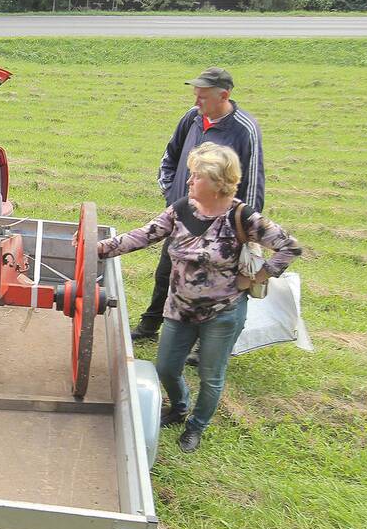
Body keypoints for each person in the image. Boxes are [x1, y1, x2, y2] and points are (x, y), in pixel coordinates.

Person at [98, 143, 300, 453]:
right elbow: (143, 234)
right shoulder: (180, 209)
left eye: (196, 176)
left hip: (223, 312)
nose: (189, 181)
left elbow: (290, 247)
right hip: (179, 308)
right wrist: (98, 247)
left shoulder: (242, 217)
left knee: (211, 375)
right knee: (165, 366)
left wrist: (258, 277)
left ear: (219, 182)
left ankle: (196, 426)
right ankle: (179, 407)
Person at [132, 67, 265, 343]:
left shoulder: (244, 129)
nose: (196, 102)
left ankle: (204, 342)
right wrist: (170, 191)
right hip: (184, 216)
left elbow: (253, 182)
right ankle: (150, 324)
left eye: (202, 97)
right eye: (195, 95)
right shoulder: (192, 118)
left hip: (220, 224)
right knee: (167, 271)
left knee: (212, 282)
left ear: (224, 95)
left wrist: (245, 229)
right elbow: (170, 156)